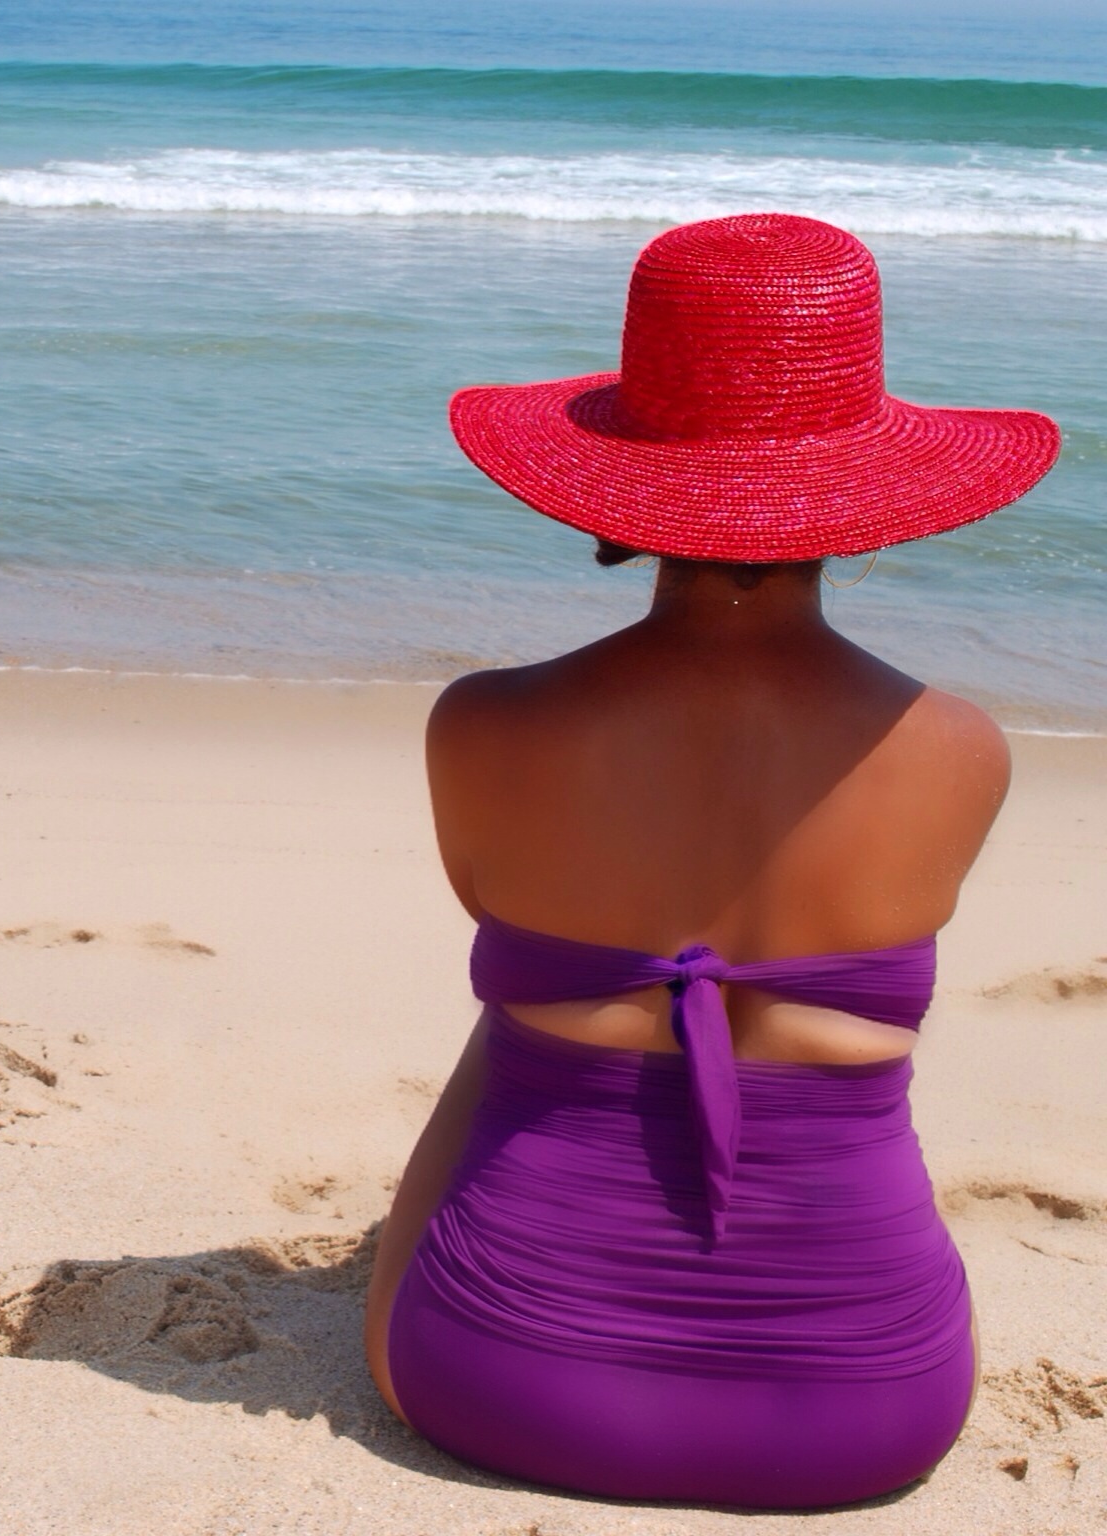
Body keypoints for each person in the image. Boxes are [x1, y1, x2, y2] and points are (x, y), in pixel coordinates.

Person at [363, 212, 1060, 1510]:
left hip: (501, 1386)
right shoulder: (961, 751)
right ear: (862, 488)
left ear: (620, 483)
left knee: (516, 1011)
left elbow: (502, 931)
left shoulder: (487, 725)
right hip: (871, 1418)